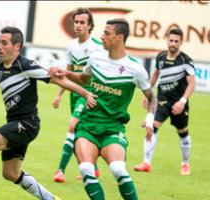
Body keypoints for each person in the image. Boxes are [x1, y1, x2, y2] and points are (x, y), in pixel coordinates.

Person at [0, 26, 97, 200]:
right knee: (10, 173)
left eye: (4, 43)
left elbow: (58, 80)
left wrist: (85, 93)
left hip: (27, 124)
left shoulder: (25, 65)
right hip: (15, 124)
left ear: (16, 47)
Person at [50, 19, 157, 200]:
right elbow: (83, 78)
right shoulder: (96, 58)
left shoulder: (136, 69)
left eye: (107, 33)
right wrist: (66, 73)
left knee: (118, 169)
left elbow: (152, 98)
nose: (102, 37)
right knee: (85, 168)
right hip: (88, 126)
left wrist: (149, 120)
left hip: (113, 129)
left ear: (119, 37)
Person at [52, 7, 104, 183]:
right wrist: (59, 94)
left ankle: (60, 170)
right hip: (74, 94)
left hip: (89, 94)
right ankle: (94, 169)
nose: (78, 25)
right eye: (76, 22)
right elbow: (67, 72)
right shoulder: (71, 46)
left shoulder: (98, 48)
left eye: (82, 22)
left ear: (90, 26)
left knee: (73, 126)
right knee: (82, 131)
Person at [133, 28, 195, 176]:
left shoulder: (186, 61)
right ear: (167, 39)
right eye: (171, 40)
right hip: (162, 100)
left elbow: (192, 84)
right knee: (152, 127)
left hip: (179, 103)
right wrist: (147, 94)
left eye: (176, 41)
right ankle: (146, 162)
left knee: (183, 133)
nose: (173, 43)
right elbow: (155, 75)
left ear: (181, 42)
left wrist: (182, 101)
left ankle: (185, 163)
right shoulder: (160, 57)